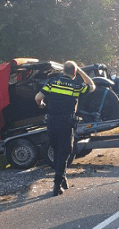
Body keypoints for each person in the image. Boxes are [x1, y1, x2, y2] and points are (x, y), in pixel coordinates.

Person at [35, 61, 96, 196]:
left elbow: (38, 98)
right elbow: (92, 86)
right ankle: (57, 185)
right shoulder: (76, 86)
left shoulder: (52, 83)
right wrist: (81, 71)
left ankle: (63, 180)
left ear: (63, 71)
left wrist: (42, 104)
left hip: (51, 121)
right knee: (65, 152)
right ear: (74, 72)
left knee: (57, 151)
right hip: (66, 122)